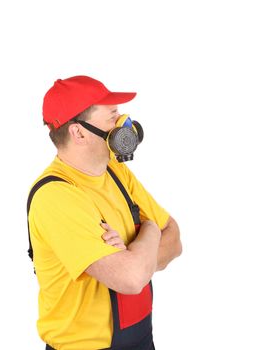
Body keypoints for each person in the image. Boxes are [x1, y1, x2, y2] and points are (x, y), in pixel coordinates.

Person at [27, 75, 182, 350]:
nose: (125, 124)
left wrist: (136, 252)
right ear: (79, 132)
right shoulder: (56, 196)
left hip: (142, 339)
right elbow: (132, 279)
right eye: (112, 116)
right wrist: (150, 231)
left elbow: (175, 238)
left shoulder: (116, 171)